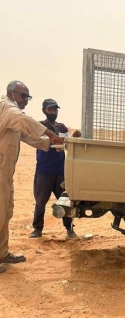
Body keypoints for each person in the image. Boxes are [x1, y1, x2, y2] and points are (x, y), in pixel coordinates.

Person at [0, 81, 64, 274]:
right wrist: (50, 133)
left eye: (28, 97)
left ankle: (2, 253)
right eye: (23, 96)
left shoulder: (13, 117)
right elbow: (24, 120)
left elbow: (29, 137)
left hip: (6, 172)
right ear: (12, 93)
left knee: (6, 212)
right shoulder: (6, 107)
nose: (26, 101)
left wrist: (56, 142)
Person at [29, 99, 75, 239]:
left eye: (55, 110)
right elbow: (38, 140)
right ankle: (37, 229)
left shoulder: (62, 127)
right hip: (44, 171)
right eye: (50, 110)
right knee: (40, 201)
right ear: (44, 110)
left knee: (65, 201)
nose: (53, 112)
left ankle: (69, 229)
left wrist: (74, 138)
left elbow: (68, 143)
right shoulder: (40, 126)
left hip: (60, 171)